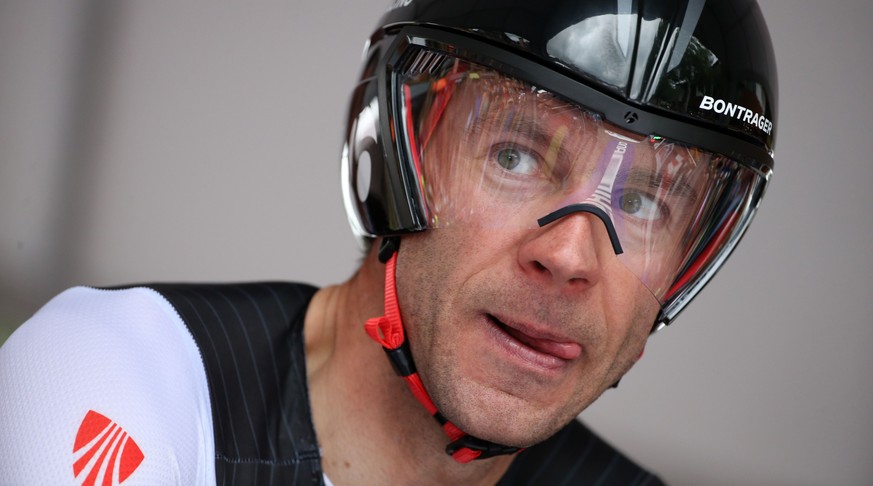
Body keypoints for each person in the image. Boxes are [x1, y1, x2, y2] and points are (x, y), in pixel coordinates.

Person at [0, 0, 777, 484]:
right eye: (514, 155)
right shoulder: (115, 377)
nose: (571, 256)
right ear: (394, 154)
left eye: (644, 200)